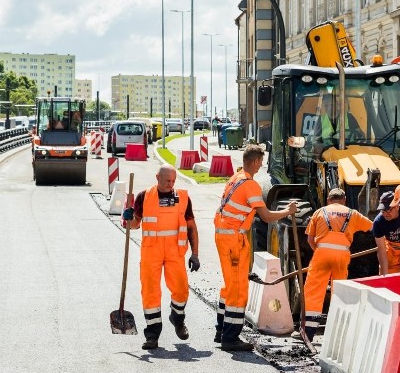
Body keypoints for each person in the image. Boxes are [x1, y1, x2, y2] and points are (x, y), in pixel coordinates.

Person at [214, 144, 298, 352]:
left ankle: (221, 330)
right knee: (238, 290)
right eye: (260, 161)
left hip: (225, 236)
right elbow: (267, 216)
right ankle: (230, 338)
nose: (261, 165)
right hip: (234, 240)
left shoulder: (235, 179)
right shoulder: (250, 185)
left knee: (229, 286)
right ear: (254, 161)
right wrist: (288, 211)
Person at [122, 165, 200, 351]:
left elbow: (191, 227)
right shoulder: (144, 196)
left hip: (175, 251)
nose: (170, 184)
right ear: (157, 177)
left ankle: (177, 318)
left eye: (173, 181)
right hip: (151, 251)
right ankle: (152, 335)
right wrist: (128, 217)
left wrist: (195, 254)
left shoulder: (182, 197)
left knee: (181, 290)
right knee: (150, 293)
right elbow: (134, 225)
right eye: (167, 181)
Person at [302, 187, 373, 342]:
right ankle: (337, 331)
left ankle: (309, 332)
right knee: (339, 291)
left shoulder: (320, 212)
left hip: (321, 253)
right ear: (344, 200)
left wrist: (321, 250)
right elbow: (371, 226)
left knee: (314, 290)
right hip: (342, 256)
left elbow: (309, 239)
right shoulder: (352, 213)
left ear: (328, 200)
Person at [372, 190, 400, 276]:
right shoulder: (378, 222)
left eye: (389, 210)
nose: (386, 214)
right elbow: (381, 250)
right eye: (383, 211)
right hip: (393, 250)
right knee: (387, 278)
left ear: (397, 207)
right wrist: (385, 277)